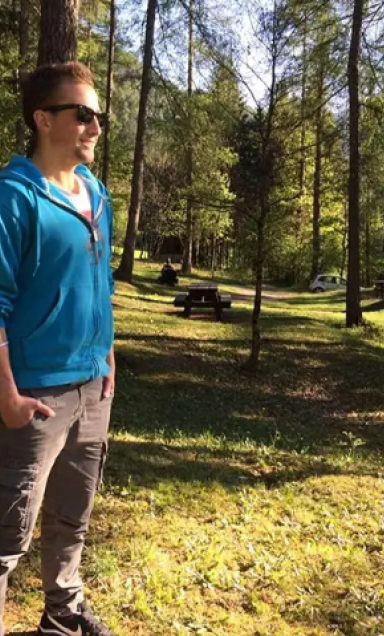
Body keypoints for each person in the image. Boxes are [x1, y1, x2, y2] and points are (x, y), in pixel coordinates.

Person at [0, 62, 117, 636]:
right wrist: (7, 395)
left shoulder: (96, 195)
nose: (96, 126)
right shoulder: (12, 197)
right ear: (44, 119)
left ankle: (62, 615)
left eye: (99, 116)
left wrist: (108, 357)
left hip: (93, 386)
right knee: (7, 528)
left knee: (73, 512)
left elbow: (102, 284)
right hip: (35, 392)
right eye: (84, 115)